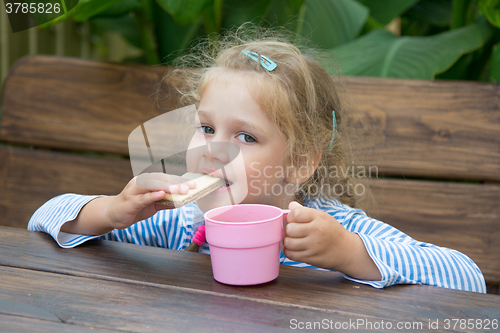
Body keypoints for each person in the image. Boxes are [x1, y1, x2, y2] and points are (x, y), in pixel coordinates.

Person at [28, 26, 486, 293]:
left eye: (245, 136)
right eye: (206, 128)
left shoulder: (330, 232)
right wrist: (109, 212)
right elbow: (42, 218)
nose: (212, 149)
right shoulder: (177, 221)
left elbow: (468, 280)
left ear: (302, 162)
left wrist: (349, 255)